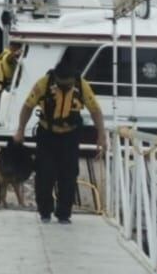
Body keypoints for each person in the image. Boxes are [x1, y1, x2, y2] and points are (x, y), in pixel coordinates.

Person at [13, 52, 106, 224]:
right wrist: (20, 130)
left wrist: (102, 135)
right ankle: (45, 211)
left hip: (70, 136)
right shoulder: (44, 83)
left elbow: (95, 110)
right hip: (47, 134)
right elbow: (27, 107)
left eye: (67, 85)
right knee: (44, 173)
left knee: (69, 174)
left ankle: (64, 213)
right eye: (61, 85)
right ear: (55, 78)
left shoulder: (81, 85)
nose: (64, 88)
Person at [0, 42, 22, 126]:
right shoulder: (7, 57)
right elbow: (10, 58)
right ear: (13, 47)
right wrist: (18, 53)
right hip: (4, 91)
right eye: (18, 47)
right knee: (3, 118)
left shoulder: (0, 55)